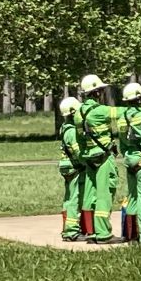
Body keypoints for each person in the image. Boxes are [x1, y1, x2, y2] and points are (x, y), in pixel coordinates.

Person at [73, 74, 125, 243]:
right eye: (101, 90)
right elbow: (123, 112)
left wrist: (84, 155)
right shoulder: (100, 111)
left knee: (90, 195)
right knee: (105, 194)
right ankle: (103, 233)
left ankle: (91, 232)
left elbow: (80, 139)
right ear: (96, 92)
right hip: (103, 157)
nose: (102, 93)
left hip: (89, 158)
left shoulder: (78, 114)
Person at [118, 82, 141, 243]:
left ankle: (131, 235)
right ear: (138, 98)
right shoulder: (139, 115)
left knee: (132, 197)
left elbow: (122, 143)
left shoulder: (122, 118)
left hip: (128, 158)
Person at [57, 96, 86, 241]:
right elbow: (78, 153)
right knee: (75, 198)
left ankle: (67, 229)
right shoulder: (72, 132)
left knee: (68, 198)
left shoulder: (64, 128)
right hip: (73, 167)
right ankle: (72, 231)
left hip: (65, 166)